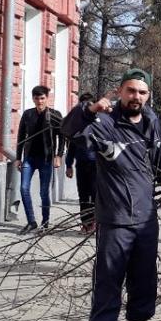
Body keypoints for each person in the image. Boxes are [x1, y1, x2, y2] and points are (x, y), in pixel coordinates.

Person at [62, 68, 161, 321]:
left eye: (142, 92)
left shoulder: (151, 121)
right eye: (131, 91)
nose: (136, 97)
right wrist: (88, 110)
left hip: (146, 215)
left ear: (148, 95)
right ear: (120, 91)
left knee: (144, 277)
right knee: (110, 278)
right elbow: (70, 131)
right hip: (115, 217)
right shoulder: (105, 123)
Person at [15, 85, 64, 232]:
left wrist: (58, 156)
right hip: (29, 157)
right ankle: (31, 221)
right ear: (33, 99)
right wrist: (18, 157)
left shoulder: (55, 115)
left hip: (46, 159)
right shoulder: (28, 114)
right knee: (24, 188)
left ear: (47, 98)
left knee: (44, 192)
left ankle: (45, 222)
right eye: (36, 98)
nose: (39, 101)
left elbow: (62, 137)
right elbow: (21, 136)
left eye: (42, 98)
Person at [65, 92, 98, 233]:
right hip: (81, 164)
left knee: (96, 194)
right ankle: (85, 223)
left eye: (88, 104)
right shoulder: (76, 124)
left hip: (96, 165)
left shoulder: (98, 122)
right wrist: (68, 165)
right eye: (82, 104)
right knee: (83, 195)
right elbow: (71, 146)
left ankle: (95, 223)